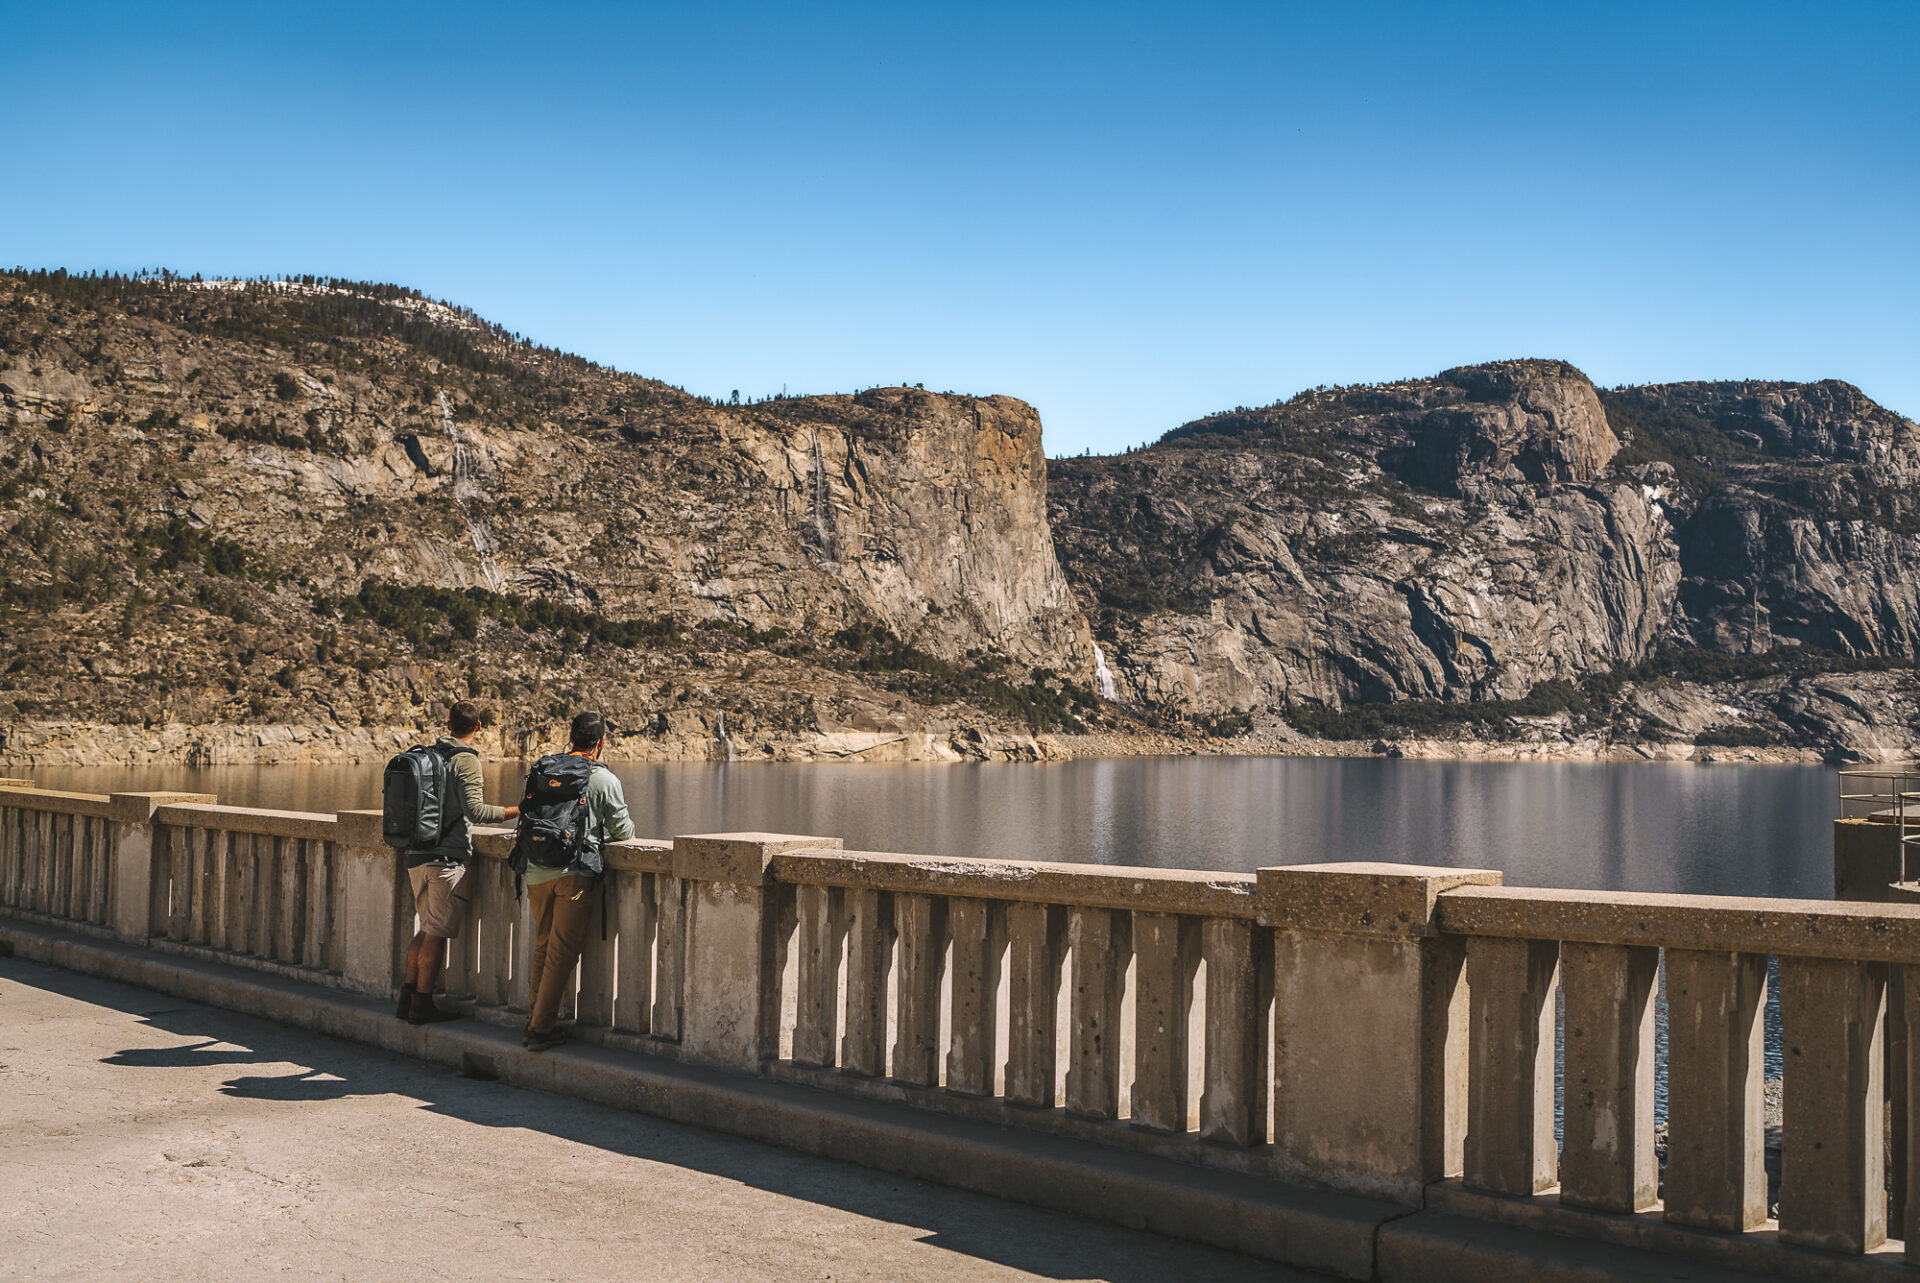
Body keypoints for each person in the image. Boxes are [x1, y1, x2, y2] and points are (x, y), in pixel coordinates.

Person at [396, 700, 518, 1024]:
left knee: (425, 929)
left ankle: (406, 998)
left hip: (417, 856)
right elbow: (476, 812)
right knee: (434, 933)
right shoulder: (466, 760)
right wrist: (519, 811)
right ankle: (421, 1005)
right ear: (478, 728)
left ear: (448, 725)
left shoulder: (429, 754)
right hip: (446, 860)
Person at [521, 709, 634, 1052]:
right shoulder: (604, 779)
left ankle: (532, 1020)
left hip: (536, 869)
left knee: (543, 946)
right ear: (600, 742)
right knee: (561, 954)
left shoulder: (544, 769)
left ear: (571, 736)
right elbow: (624, 831)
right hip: (575, 874)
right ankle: (540, 1030)